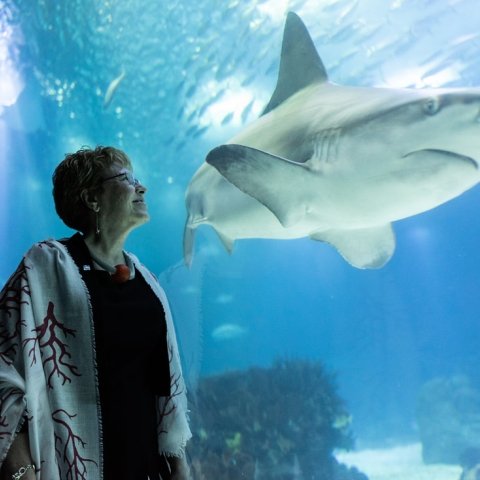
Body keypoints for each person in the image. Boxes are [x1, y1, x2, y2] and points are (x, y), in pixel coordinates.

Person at [0, 146, 191, 479]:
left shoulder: (147, 282)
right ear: (91, 198)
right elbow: (2, 371)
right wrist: (21, 471)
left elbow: (164, 391)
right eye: (127, 179)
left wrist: (179, 468)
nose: (141, 187)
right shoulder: (47, 265)